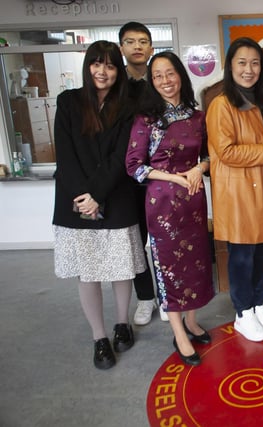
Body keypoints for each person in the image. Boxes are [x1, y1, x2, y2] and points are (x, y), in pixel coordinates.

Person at [52, 40, 147, 370]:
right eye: (96, 63)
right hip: (74, 201)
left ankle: (122, 323)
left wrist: (98, 195)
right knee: (88, 274)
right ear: (87, 66)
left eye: (109, 65)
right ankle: (99, 337)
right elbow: (64, 155)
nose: (102, 71)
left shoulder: (128, 107)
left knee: (121, 268)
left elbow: (122, 156)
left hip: (116, 195)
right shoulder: (68, 102)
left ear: (117, 70)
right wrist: (84, 197)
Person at [126, 51, 214, 366]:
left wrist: (199, 169)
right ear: (152, 82)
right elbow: (133, 166)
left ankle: (191, 320)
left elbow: (209, 155)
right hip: (162, 202)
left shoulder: (197, 116)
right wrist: (172, 176)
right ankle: (178, 331)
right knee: (170, 268)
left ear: (181, 75)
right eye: (158, 75)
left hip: (193, 199)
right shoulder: (146, 119)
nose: (165, 80)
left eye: (170, 73)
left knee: (196, 263)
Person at [207, 37, 263, 342]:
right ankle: (242, 313)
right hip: (240, 196)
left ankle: (257, 304)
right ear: (230, 66)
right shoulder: (221, 105)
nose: (249, 69)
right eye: (242, 62)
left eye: (255, 63)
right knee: (242, 257)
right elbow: (226, 151)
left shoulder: (260, 104)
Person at [118, 21, 161, 325]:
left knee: (165, 238)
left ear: (151, 48)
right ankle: (146, 298)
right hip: (125, 177)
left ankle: (170, 295)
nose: (137, 46)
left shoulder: (159, 80)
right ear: (122, 47)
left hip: (160, 174)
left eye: (143, 41)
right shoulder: (114, 85)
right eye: (130, 41)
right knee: (136, 240)